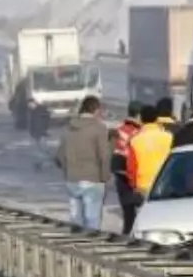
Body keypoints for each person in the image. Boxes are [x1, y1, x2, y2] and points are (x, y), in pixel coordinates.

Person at [54, 96, 112, 230]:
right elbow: (104, 156)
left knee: (76, 219)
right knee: (92, 220)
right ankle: (90, 248)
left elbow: (59, 156)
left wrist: (68, 171)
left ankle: (75, 246)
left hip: (72, 179)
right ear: (96, 111)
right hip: (93, 179)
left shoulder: (69, 127)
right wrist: (104, 178)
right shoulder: (99, 128)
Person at [125, 104, 174, 199]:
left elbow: (131, 168)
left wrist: (134, 186)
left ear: (140, 119)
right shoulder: (169, 137)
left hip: (143, 186)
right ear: (157, 119)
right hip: (165, 184)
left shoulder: (134, 140)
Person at [111, 101, 144, 235]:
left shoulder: (119, 131)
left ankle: (126, 239)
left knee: (128, 216)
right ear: (138, 115)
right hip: (137, 177)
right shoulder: (140, 132)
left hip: (121, 178)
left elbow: (114, 154)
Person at [28, 99, 52, 172]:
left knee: (42, 149)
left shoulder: (40, 110)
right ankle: (40, 163)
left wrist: (43, 130)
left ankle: (44, 162)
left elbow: (43, 121)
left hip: (40, 133)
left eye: (30, 104)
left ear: (34, 103)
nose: (29, 106)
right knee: (40, 149)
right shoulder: (34, 111)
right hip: (37, 133)